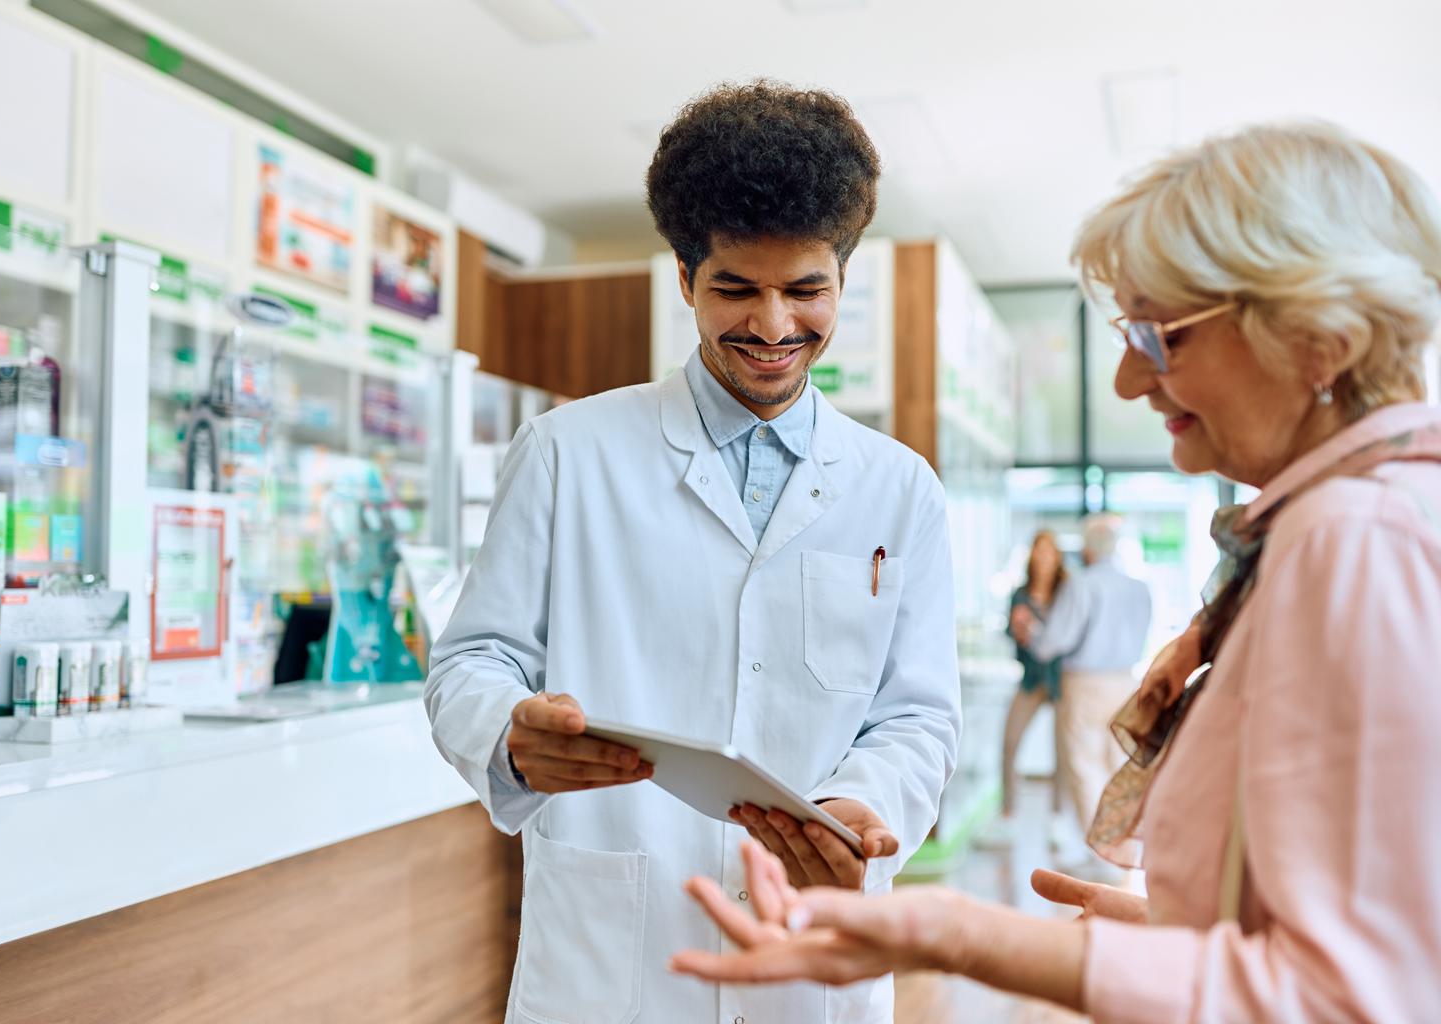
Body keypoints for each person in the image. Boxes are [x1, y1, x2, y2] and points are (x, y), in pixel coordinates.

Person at [670, 121, 1441, 1021]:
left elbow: (1368, 995)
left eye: (1162, 339)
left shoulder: (1363, 542)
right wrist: (1177, 929)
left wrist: (956, 933)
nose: (1124, 381)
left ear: (1323, 339)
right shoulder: (1338, 529)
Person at [424, 80, 961, 1024]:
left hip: (811, 950)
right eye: (735, 289)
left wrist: (868, 802)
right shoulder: (566, 453)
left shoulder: (899, 486)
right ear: (683, 277)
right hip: (615, 954)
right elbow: (473, 659)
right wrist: (511, 729)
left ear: (844, 278)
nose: (773, 326)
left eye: (806, 290)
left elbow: (917, 713)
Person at [1015, 514, 1150, 858]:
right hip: (1126, 682)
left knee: (1085, 766)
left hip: (1085, 686)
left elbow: (1051, 643)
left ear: (1088, 549)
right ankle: (1124, 848)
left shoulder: (1083, 585)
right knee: (1117, 765)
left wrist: (1030, 631)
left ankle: (1103, 855)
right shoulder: (1139, 587)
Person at [994, 530, 1067, 827]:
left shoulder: (1067, 592)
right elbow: (1011, 633)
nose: (1044, 557)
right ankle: (1008, 810)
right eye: (1039, 550)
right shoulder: (1020, 594)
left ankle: (1058, 815)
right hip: (1031, 679)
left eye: (1049, 551)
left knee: (1062, 750)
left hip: (1061, 679)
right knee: (1010, 740)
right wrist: (1019, 628)